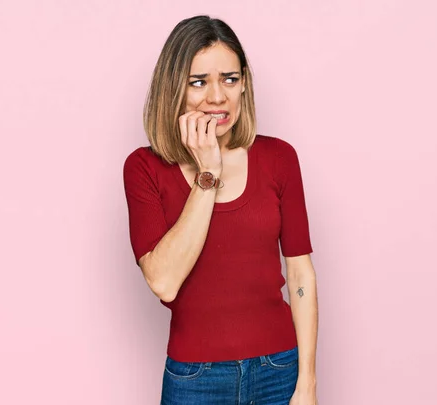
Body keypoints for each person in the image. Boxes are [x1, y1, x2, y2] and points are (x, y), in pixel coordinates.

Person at [123, 15, 319, 405]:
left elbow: (300, 272)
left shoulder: (279, 158)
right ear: (173, 88)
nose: (217, 97)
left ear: (244, 83)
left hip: (280, 370)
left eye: (230, 79)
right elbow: (163, 281)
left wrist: (307, 383)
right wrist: (208, 172)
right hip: (196, 379)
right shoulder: (143, 168)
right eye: (199, 82)